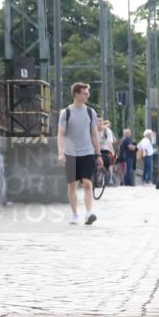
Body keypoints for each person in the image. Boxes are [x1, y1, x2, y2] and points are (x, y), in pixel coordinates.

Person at [56, 82, 103, 225]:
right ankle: (75, 215)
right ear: (76, 94)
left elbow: (94, 134)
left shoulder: (91, 112)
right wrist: (61, 153)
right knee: (72, 185)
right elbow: (61, 134)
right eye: (85, 93)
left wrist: (99, 154)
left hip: (87, 153)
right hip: (71, 154)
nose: (88, 95)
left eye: (88, 93)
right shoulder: (66, 113)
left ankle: (88, 213)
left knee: (88, 183)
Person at [98, 119, 116, 184]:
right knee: (110, 165)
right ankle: (110, 178)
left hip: (99, 150)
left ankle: (100, 176)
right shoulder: (109, 131)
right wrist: (113, 153)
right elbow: (112, 142)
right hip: (107, 151)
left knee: (100, 164)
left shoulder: (98, 130)